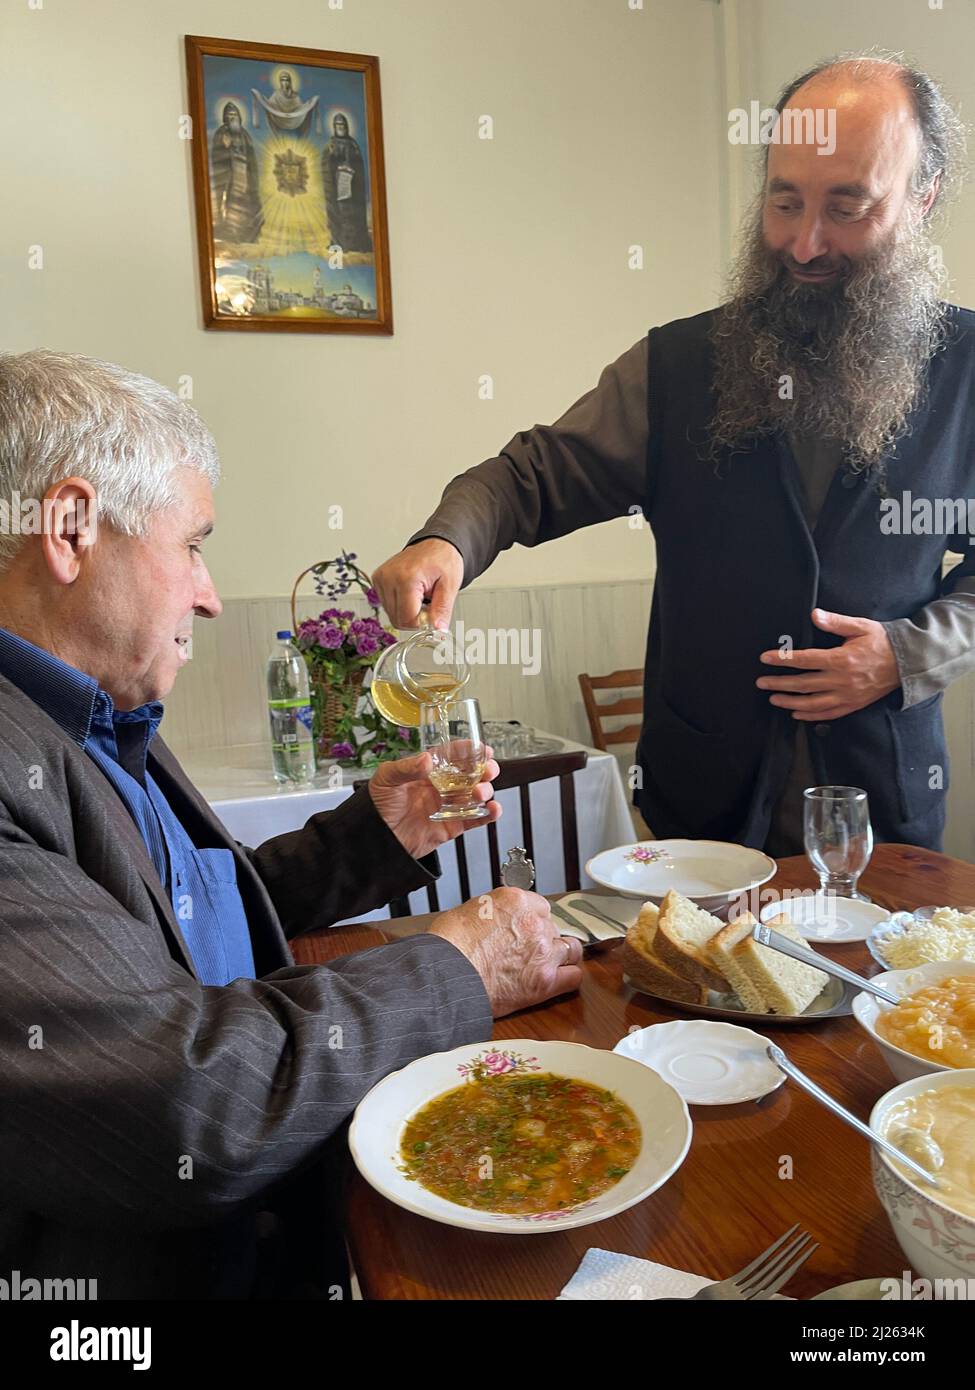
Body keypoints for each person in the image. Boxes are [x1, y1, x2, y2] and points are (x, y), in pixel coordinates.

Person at [0, 350, 582, 1299]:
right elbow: (182, 1103)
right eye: (192, 544)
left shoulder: (92, 718)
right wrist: (457, 969)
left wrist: (371, 836)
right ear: (68, 530)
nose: (209, 593)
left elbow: (181, 923)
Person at [374, 52, 975, 856]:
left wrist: (906, 655)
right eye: (783, 200)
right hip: (700, 809)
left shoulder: (966, 367)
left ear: (921, 196)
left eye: (846, 206)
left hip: (883, 811)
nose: (803, 243)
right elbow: (534, 475)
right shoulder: (677, 365)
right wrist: (445, 539)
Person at [210, 101, 263, 245]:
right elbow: (218, 157)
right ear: (225, 118)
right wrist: (225, 147)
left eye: (235, 115)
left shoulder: (244, 134)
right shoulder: (222, 133)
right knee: (231, 203)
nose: (233, 118)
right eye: (229, 115)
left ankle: (247, 233)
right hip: (230, 177)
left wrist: (252, 178)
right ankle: (232, 232)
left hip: (245, 176)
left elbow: (251, 158)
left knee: (248, 204)